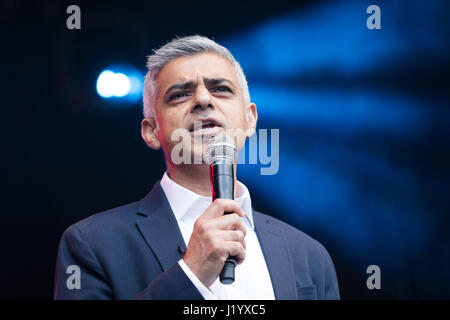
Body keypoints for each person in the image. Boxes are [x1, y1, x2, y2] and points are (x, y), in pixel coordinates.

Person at [54, 35, 340, 300]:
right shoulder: (91, 244)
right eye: (179, 94)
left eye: (221, 89)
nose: (203, 100)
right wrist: (190, 274)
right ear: (152, 131)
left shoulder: (308, 255)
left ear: (250, 119)